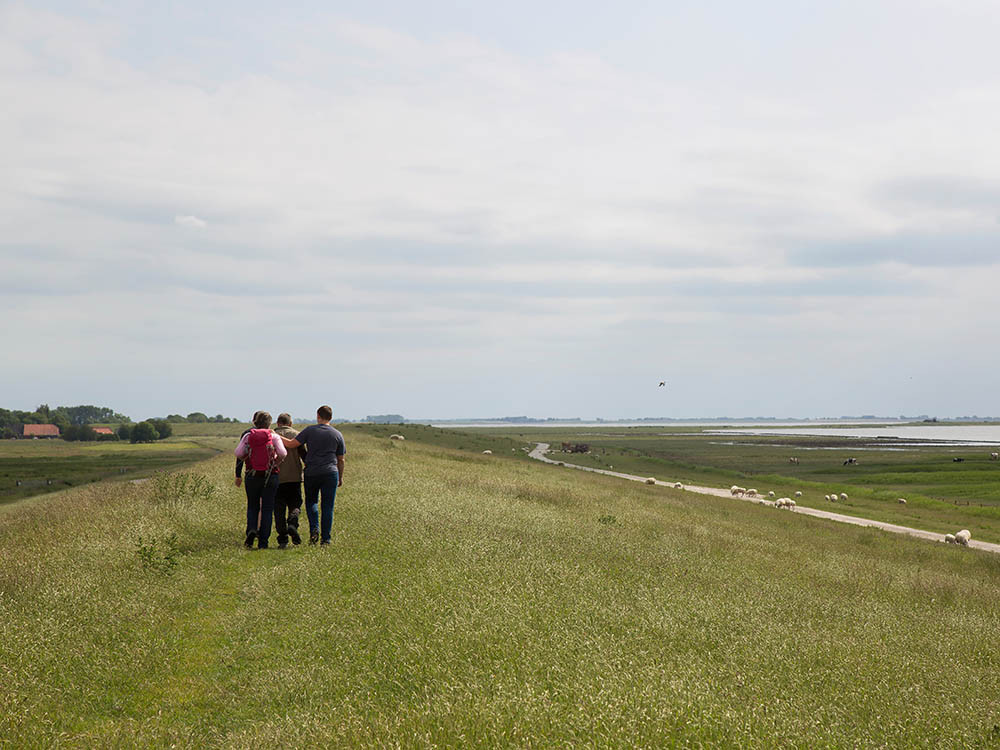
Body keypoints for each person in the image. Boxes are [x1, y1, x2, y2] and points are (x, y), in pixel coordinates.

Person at [278, 405, 345, 545]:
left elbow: (291, 444)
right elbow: (341, 459)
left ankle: (314, 531)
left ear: (318, 416)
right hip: (330, 472)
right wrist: (341, 476)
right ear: (331, 418)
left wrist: (274, 434)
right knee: (328, 506)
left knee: (312, 502)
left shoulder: (310, 430)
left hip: (312, 473)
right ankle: (326, 539)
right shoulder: (338, 434)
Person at [234, 411, 287, 549]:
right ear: (269, 423)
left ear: (255, 421)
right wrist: (275, 462)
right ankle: (263, 542)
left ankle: (251, 531)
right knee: (268, 508)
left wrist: (248, 457)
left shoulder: (248, 435)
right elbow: (283, 453)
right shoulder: (273, 436)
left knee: (252, 506)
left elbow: (238, 453)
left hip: (252, 475)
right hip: (271, 475)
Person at [272, 413, 306, 548]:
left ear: (278, 423)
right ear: (290, 424)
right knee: (296, 503)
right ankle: (293, 522)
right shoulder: (297, 434)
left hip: (276, 477)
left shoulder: (271, 435)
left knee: (278, 509)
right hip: (294, 477)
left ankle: (282, 539)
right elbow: (304, 456)